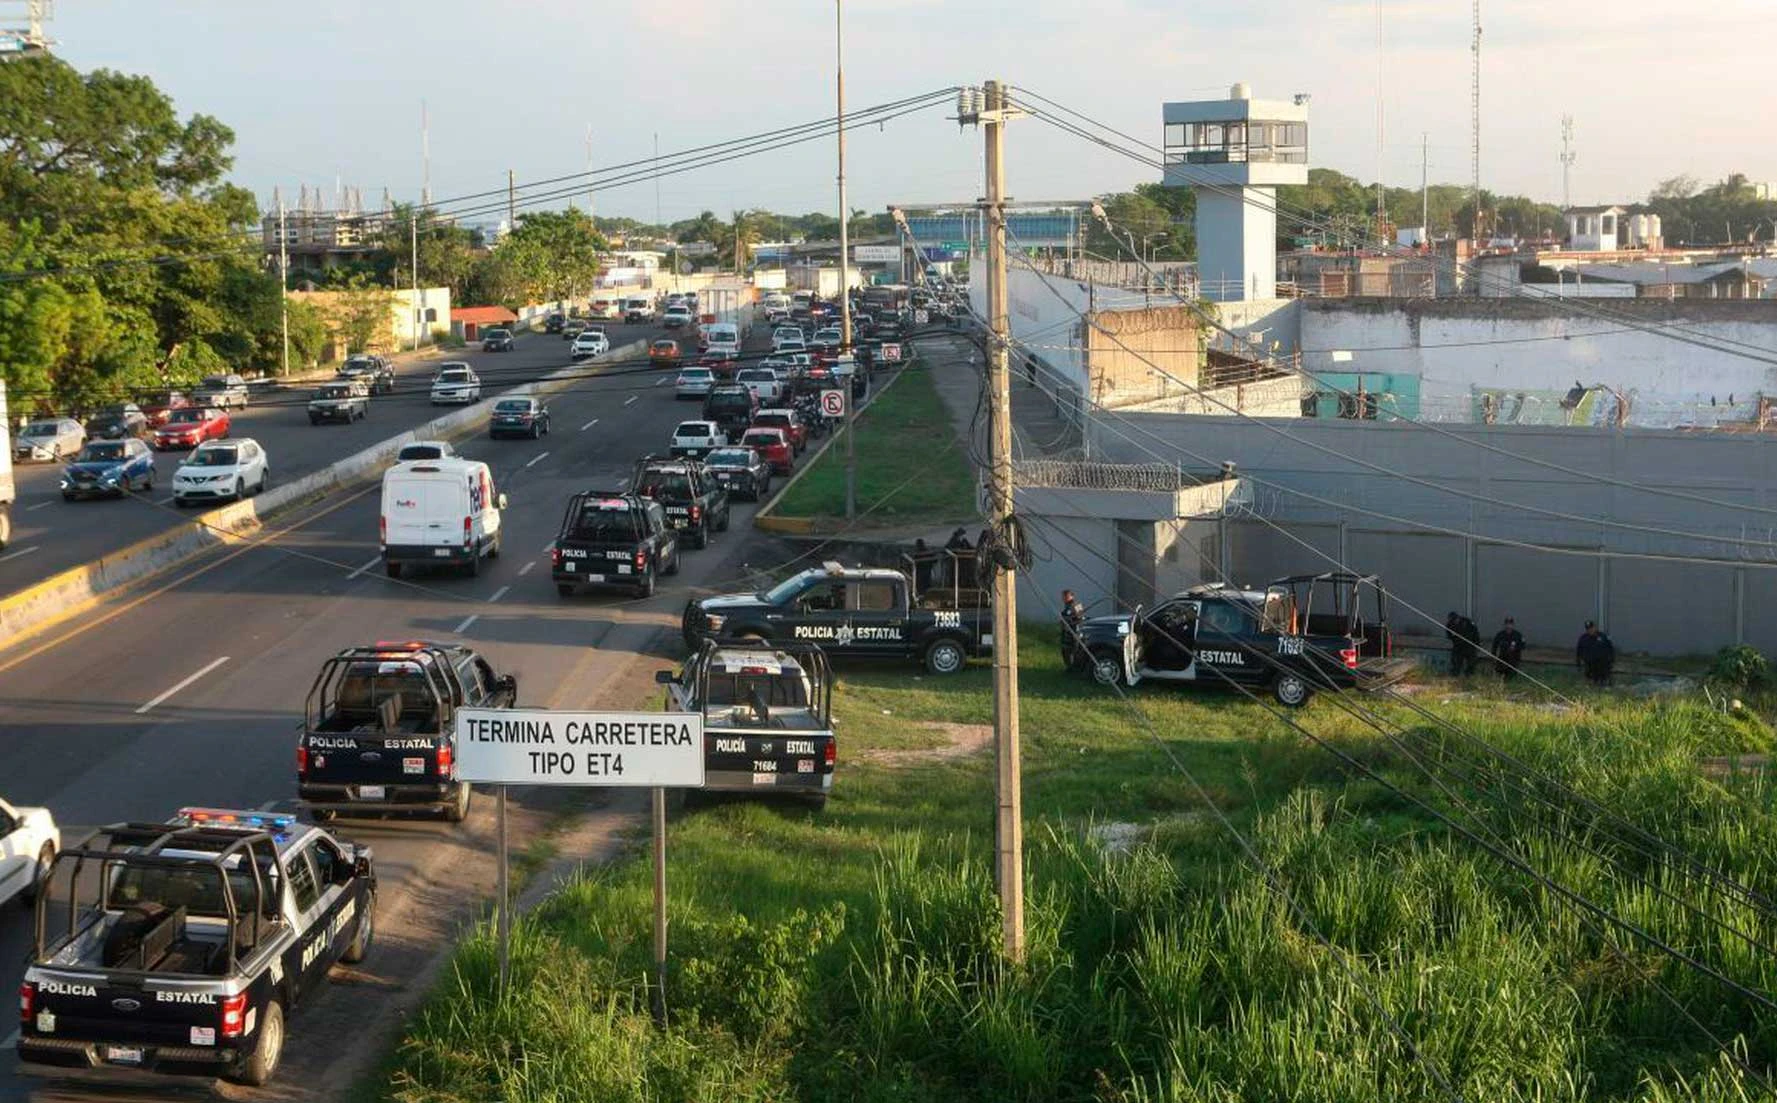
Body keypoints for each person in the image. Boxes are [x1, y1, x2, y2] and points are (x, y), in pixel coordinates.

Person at [1576, 620, 1615, 686]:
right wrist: (1578, 662)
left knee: (1603, 679)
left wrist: (1611, 660)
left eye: (1591, 628)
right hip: (1590, 664)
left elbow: (1610, 648)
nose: (1590, 630)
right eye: (1588, 629)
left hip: (1602, 664)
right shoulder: (1583, 638)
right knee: (1591, 680)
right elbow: (1579, 651)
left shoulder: (1602, 637)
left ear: (1595, 627)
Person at [1444, 611, 1481, 676]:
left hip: (1469, 645)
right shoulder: (1449, 625)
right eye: (1453, 621)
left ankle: (1469, 676)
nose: (1455, 622)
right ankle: (1455, 676)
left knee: (1471, 663)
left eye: (1455, 620)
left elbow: (1475, 632)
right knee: (1456, 663)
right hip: (1458, 646)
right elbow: (1449, 635)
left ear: (1458, 618)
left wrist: (1477, 644)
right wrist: (1455, 639)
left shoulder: (1467, 622)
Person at [1060, 589, 1088, 670]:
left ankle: (1075, 668)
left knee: (1075, 650)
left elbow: (1080, 618)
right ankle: (1069, 667)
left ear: (1072, 596)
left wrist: (1071, 622)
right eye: (1063, 596)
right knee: (1065, 650)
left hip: (1074, 632)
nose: (1064, 598)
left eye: (1066, 596)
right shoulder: (1066, 606)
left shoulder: (1076, 605)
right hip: (1066, 632)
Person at [1491, 616, 1526, 682]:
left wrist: (1515, 648)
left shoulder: (1518, 635)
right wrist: (1494, 656)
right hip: (1502, 658)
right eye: (1507, 624)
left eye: (1510, 624)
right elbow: (1494, 645)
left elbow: (1523, 646)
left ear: (1513, 625)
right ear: (1504, 625)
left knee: (1511, 676)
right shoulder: (1500, 635)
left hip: (1514, 659)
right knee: (1500, 674)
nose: (1508, 626)